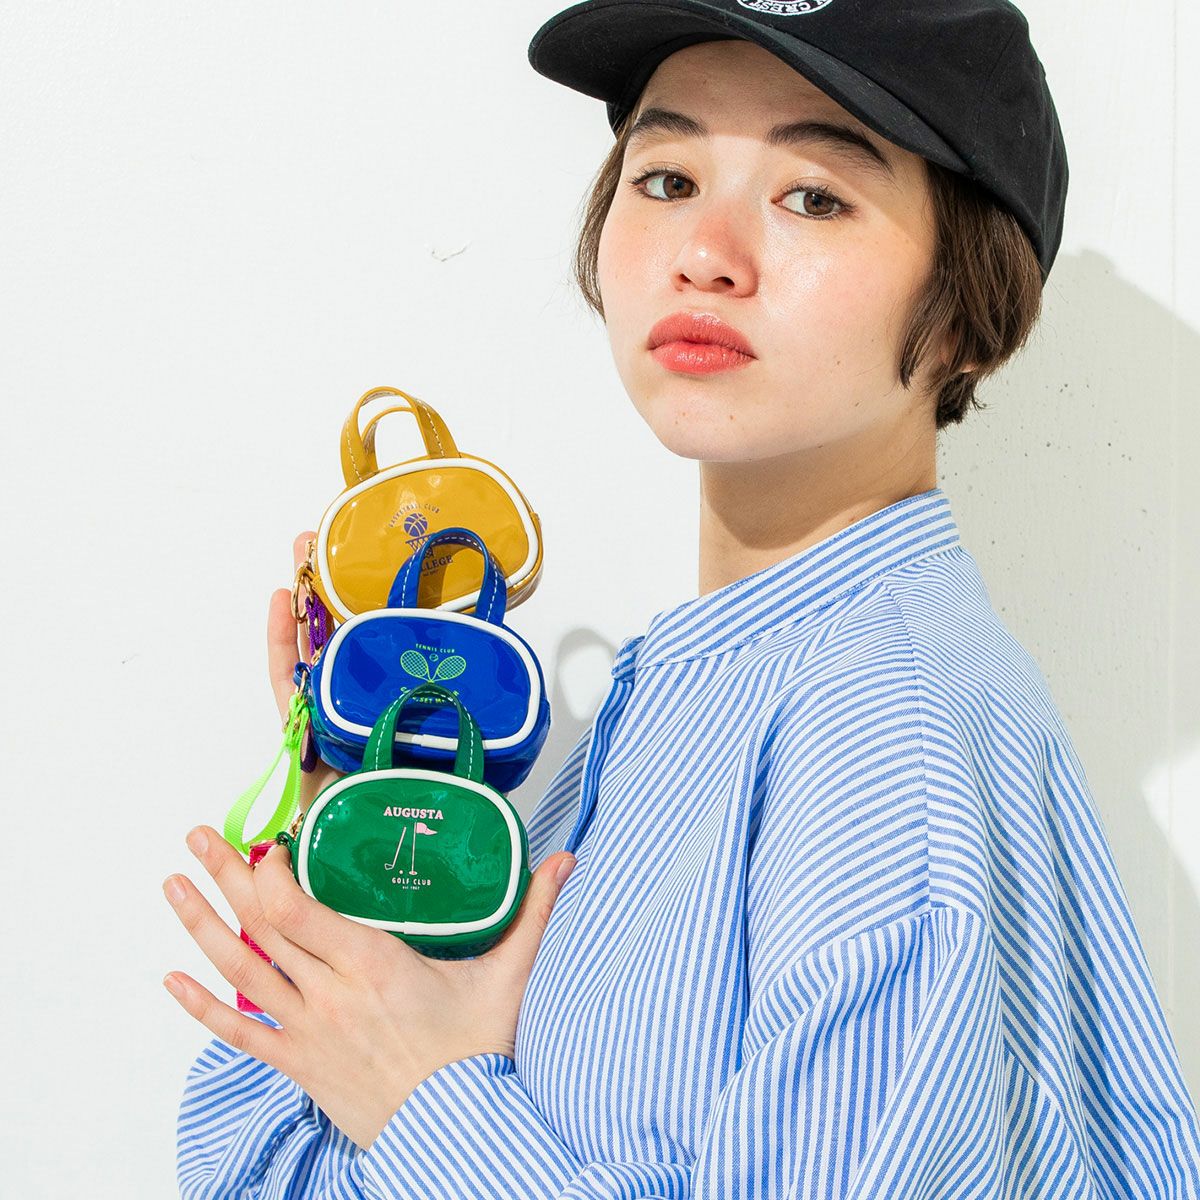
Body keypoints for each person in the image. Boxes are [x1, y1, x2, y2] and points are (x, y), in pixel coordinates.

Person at [164, 2, 1200, 1196]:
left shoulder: (881, 735)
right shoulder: (685, 696)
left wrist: (425, 1106)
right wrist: (369, 837)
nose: (706, 250)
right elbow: (256, 1167)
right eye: (665, 178)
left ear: (970, 308)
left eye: (813, 196)